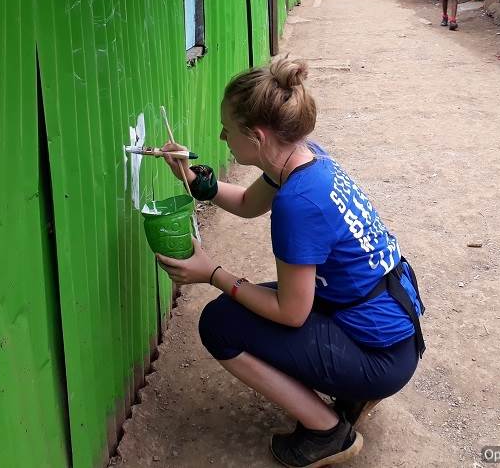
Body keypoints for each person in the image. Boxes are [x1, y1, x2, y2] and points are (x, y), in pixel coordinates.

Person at [155, 58, 426, 468]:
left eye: (228, 128)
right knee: (248, 304)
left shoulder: (297, 203)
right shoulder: (305, 159)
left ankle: (328, 431)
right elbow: (247, 204)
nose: (222, 136)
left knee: (220, 323)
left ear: (258, 137)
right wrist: (195, 181)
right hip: (387, 330)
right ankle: (353, 392)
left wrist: (212, 274)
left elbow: (291, 313)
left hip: (381, 356)